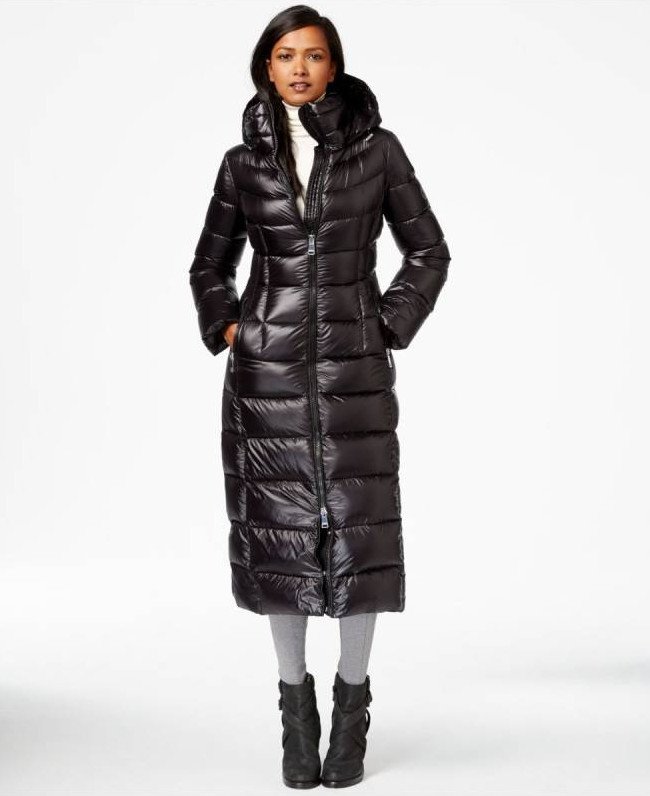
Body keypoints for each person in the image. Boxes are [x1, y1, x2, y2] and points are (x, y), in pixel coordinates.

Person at [189, 4, 451, 789]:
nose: (299, 68)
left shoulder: (378, 151)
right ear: (265, 67)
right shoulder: (242, 165)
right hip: (265, 380)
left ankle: (353, 707)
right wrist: (233, 327)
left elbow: (429, 251)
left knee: (360, 540)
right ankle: (295, 712)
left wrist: (384, 324)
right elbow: (208, 265)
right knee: (280, 542)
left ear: (334, 66)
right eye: (285, 55)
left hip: (353, 375)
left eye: (313, 55)